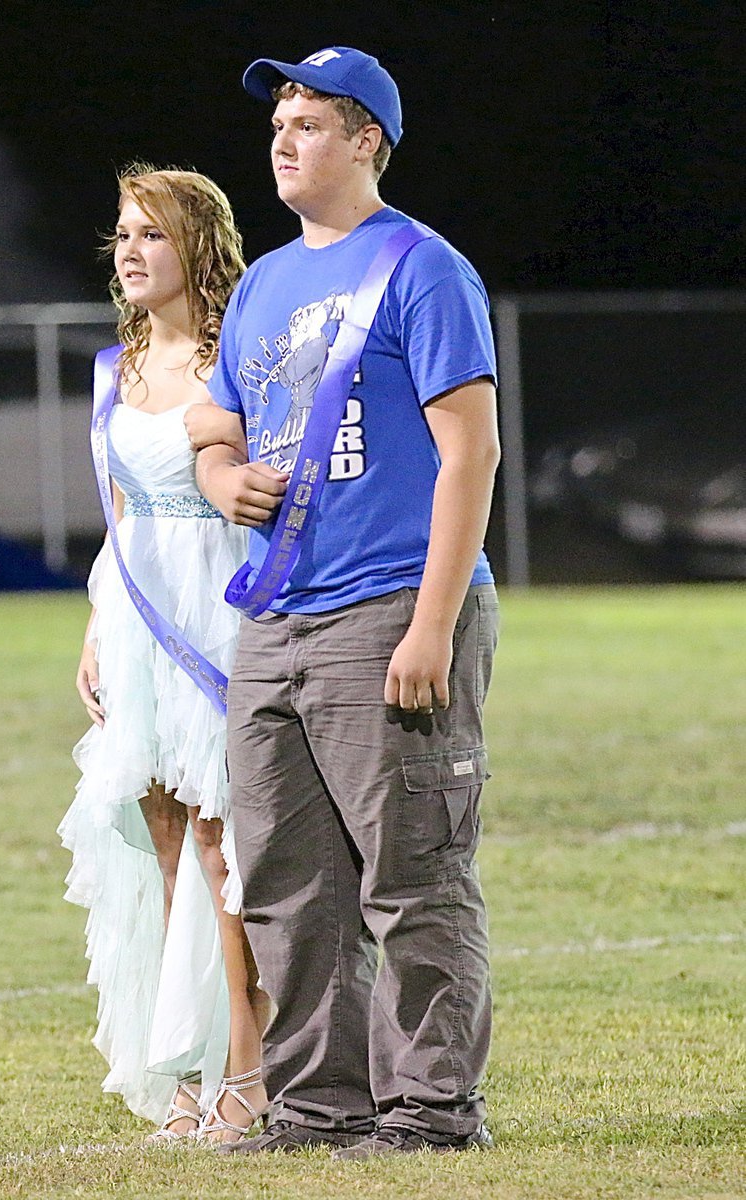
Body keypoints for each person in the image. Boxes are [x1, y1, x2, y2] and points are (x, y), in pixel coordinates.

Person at [189, 47, 501, 1158]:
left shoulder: (423, 266)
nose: (284, 141)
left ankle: (430, 1111)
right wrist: (222, 480)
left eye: (310, 123)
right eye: (279, 123)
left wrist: (432, 622)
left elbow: (471, 453)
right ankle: (320, 1108)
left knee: (413, 875)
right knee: (287, 880)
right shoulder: (264, 283)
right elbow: (217, 428)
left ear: (368, 139)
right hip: (276, 617)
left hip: (388, 606)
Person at [58, 165, 269, 1144]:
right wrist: (96, 630)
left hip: (217, 608)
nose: (130, 251)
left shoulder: (241, 361)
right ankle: (189, 1065)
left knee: (226, 844)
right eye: (123, 233)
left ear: (197, 246)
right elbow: (118, 514)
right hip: (136, 616)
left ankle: (250, 1070)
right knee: (167, 841)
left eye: (151, 233)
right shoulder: (116, 367)